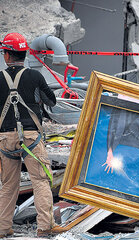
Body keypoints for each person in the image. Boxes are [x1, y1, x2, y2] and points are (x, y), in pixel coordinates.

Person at [0, 33, 62, 237]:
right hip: (31, 138)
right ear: (25, 53)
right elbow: (51, 102)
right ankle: (44, 227)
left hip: (5, 139)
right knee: (40, 180)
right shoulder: (35, 76)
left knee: (8, 185)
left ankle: (3, 228)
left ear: (7, 55)